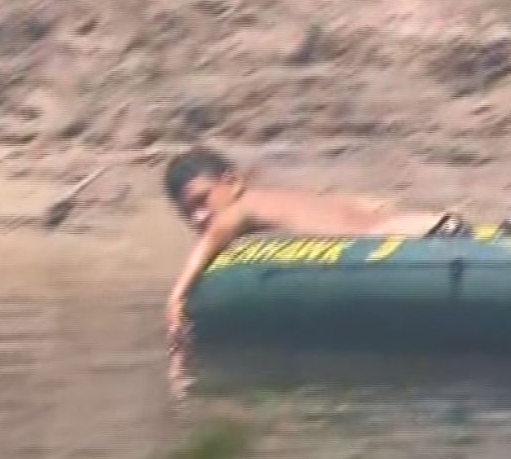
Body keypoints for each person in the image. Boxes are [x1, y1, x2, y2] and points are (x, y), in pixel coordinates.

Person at [163, 148, 442, 388]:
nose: (199, 217)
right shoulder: (289, 197)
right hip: (419, 226)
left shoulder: (239, 209)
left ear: (232, 182)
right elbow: (374, 205)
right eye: (187, 212)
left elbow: (214, 237)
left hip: (402, 243)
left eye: (202, 200)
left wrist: (177, 297)